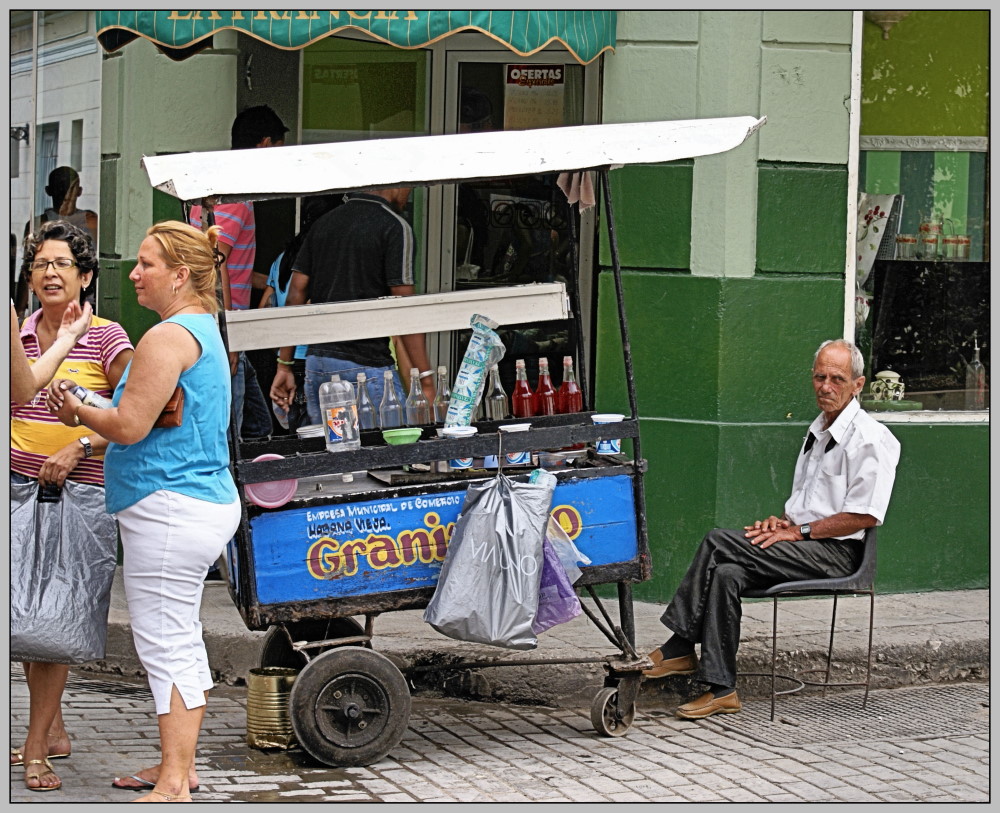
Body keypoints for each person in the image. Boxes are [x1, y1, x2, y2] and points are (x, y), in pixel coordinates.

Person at [47, 220, 240, 803]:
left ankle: (176, 781)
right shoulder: (200, 331)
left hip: (170, 506)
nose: (133, 273)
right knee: (176, 636)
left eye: (145, 263)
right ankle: (175, 767)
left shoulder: (166, 338)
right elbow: (156, 418)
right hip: (192, 499)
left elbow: (130, 425)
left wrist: (78, 407)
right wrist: (88, 422)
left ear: (180, 274)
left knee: (166, 640)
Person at [642, 339, 901, 720]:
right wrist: (784, 523)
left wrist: (798, 533)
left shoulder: (871, 439)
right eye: (819, 376)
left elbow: (864, 515)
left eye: (837, 379)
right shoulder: (819, 430)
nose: (825, 386)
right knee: (728, 573)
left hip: (839, 555)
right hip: (809, 541)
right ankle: (722, 689)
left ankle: (680, 645)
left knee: (717, 541)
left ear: (858, 385)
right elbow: (809, 503)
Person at [10, 220, 134, 792]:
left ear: (86, 277)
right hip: (18, 492)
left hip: (79, 494)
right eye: (41, 264)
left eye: (62, 264)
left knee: (54, 621)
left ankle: (37, 748)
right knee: (26, 619)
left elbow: (145, 413)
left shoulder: (107, 338)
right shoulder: (22, 334)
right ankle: (52, 729)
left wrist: (81, 441)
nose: (50, 273)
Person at [270, 186, 436, 422]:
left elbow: (296, 293)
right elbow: (405, 308)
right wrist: (425, 382)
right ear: (396, 181)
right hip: (366, 367)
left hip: (318, 365)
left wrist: (284, 365)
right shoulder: (395, 226)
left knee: (334, 456)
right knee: (383, 455)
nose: (409, 194)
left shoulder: (323, 224)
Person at [189, 104, 288, 440]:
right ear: (263, 145)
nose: (281, 156)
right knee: (232, 438)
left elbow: (232, 266)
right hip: (222, 328)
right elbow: (214, 262)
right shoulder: (232, 194)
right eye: (279, 149)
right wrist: (228, 341)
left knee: (258, 428)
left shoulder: (220, 186)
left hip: (221, 325)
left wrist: (272, 281)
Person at [259, 195, 339, 433]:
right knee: (323, 432)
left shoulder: (282, 259)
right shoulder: (324, 257)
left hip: (285, 355)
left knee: (297, 431)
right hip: (314, 355)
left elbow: (265, 306)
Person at [17, 167, 99, 317]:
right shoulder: (38, 223)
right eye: (60, 186)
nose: (65, 192)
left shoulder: (90, 220)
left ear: (79, 191)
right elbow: (27, 266)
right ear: (49, 190)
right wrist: (19, 310)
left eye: (69, 187)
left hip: (88, 298)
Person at [10, 299, 94, 405]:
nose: (50, 281)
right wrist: (69, 337)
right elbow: (23, 390)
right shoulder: (21, 329)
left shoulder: (107, 333)